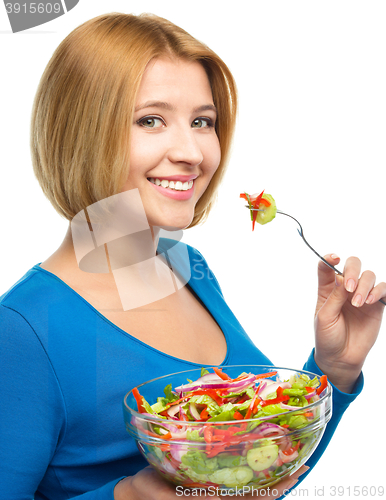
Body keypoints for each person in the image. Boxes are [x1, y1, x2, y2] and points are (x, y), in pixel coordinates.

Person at [0, 12, 384, 500]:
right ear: (78, 131)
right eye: (151, 120)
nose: (193, 151)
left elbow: (260, 477)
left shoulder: (190, 267)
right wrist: (128, 497)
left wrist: (335, 370)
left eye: (202, 121)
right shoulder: (21, 330)